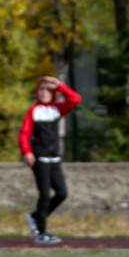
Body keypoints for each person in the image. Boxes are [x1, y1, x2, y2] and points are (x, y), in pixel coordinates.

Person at [19, 75, 82, 246]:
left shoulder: (56, 109)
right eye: (41, 89)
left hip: (54, 157)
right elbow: (24, 134)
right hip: (39, 157)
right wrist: (26, 152)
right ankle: (41, 233)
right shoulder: (33, 110)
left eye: (48, 89)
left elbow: (75, 99)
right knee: (45, 194)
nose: (44, 92)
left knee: (62, 193)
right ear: (37, 92)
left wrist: (59, 85)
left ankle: (35, 217)